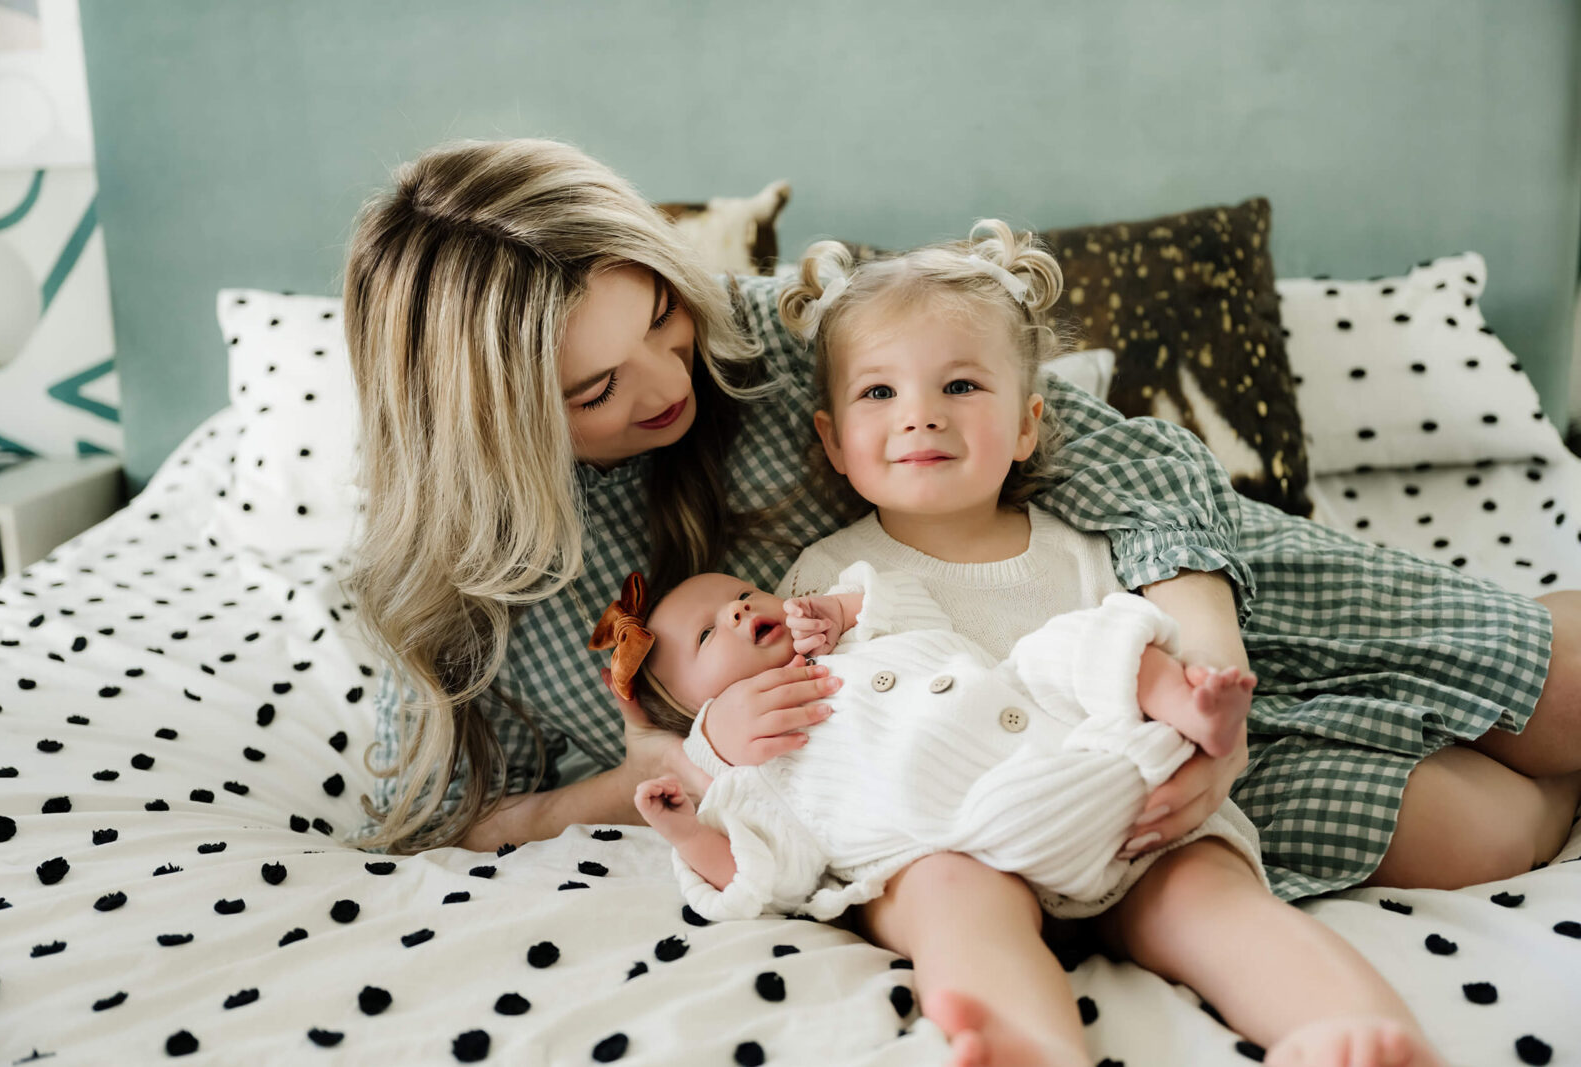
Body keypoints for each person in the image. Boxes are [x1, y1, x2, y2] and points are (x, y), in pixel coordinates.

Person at [342, 137, 1579, 1061]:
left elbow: (1110, 456)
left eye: (664, 313)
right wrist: (682, 762)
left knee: (1557, 687)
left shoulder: (778, 341)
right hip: (1010, 759)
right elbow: (448, 815)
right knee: (1471, 830)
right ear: (488, 423)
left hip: (1156, 596)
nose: (671, 379)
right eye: (596, 386)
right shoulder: (461, 599)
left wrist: (1212, 663)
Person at [606, 224, 1440, 1066]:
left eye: (960, 384)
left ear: (1027, 423)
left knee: (1212, 898)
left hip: (1113, 809)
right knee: (947, 901)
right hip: (948, 833)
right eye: (879, 393)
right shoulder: (824, 576)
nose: (921, 413)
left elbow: (1134, 656)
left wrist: (1185, 709)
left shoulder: (1084, 545)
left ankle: (1343, 1027)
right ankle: (1027, 1042)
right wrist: (719, 743)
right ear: (830, 442)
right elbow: (797, 750)